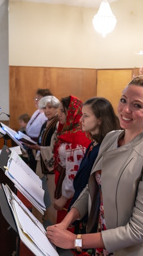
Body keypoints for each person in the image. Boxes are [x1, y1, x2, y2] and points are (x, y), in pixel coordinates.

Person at [47, 75, 143, 256]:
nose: (125, 109)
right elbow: (93, 187)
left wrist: (75, 240)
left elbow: (138, 230)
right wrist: (65, 222)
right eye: (123, 100)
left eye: (137, 105)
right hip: (105, 244)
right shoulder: (111, 138)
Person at [68, 97, 120, 235]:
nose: (80, 120)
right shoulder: (93, 144)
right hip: (82, 206)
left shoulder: (105, 148)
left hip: (93, 212)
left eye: (85, 116)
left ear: (100, 120)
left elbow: (93, 187)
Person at [53, 95, 92, 223]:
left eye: (63, 111)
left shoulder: (77, 137)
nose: (60, 115)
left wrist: (64, 197)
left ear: (72, 113)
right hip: (64, 183)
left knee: (67, 223)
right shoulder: (72, 131)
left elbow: (73, 172)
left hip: (70, 191)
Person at [26, 95, 61, 224]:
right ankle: (40, 222)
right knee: (40, 195)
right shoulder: (45, 123)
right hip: (41, 162)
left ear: (57, 108)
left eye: (50, 107)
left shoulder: (57, 123)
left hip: (50, 167)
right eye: (45, 108)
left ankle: (50, 223)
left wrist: (39, 148)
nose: (47, 111)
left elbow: (55, 147)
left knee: (50, 197)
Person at [26, 88, 53, 172]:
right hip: (30, 143)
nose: (36, 100)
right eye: (35, 98)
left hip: (37, 145)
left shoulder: (46, 115)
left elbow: (44, 133)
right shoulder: (37, 112)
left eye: (39, 98)